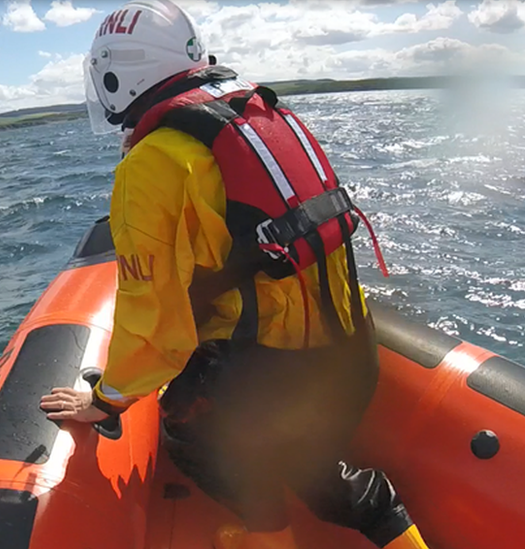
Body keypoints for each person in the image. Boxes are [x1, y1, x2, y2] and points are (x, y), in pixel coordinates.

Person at [38, 2, 430, 549]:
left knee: (189, 430)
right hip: (352, 357)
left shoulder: (153, 162)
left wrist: (104, 402)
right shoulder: (263, 114)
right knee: (315, 469)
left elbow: (151, 322)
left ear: (115, 75)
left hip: (272, 379)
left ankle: (269, 536)